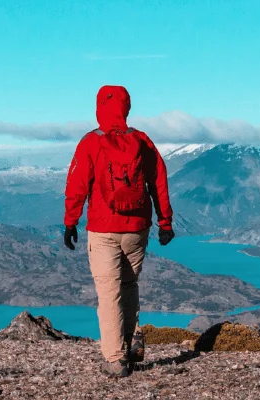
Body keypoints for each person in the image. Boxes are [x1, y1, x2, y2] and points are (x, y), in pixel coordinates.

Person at [63, 85, 175, 377]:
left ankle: (115, 359)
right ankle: (130, 344)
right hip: (137, 228)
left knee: (109, 292)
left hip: (103, 228)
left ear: (99, 107)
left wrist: (70, 221)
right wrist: (165, 222)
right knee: (129, 285)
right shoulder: (142, 140)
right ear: (127, 106)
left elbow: (77, 185)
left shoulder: (91, 142)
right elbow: (159, 182)